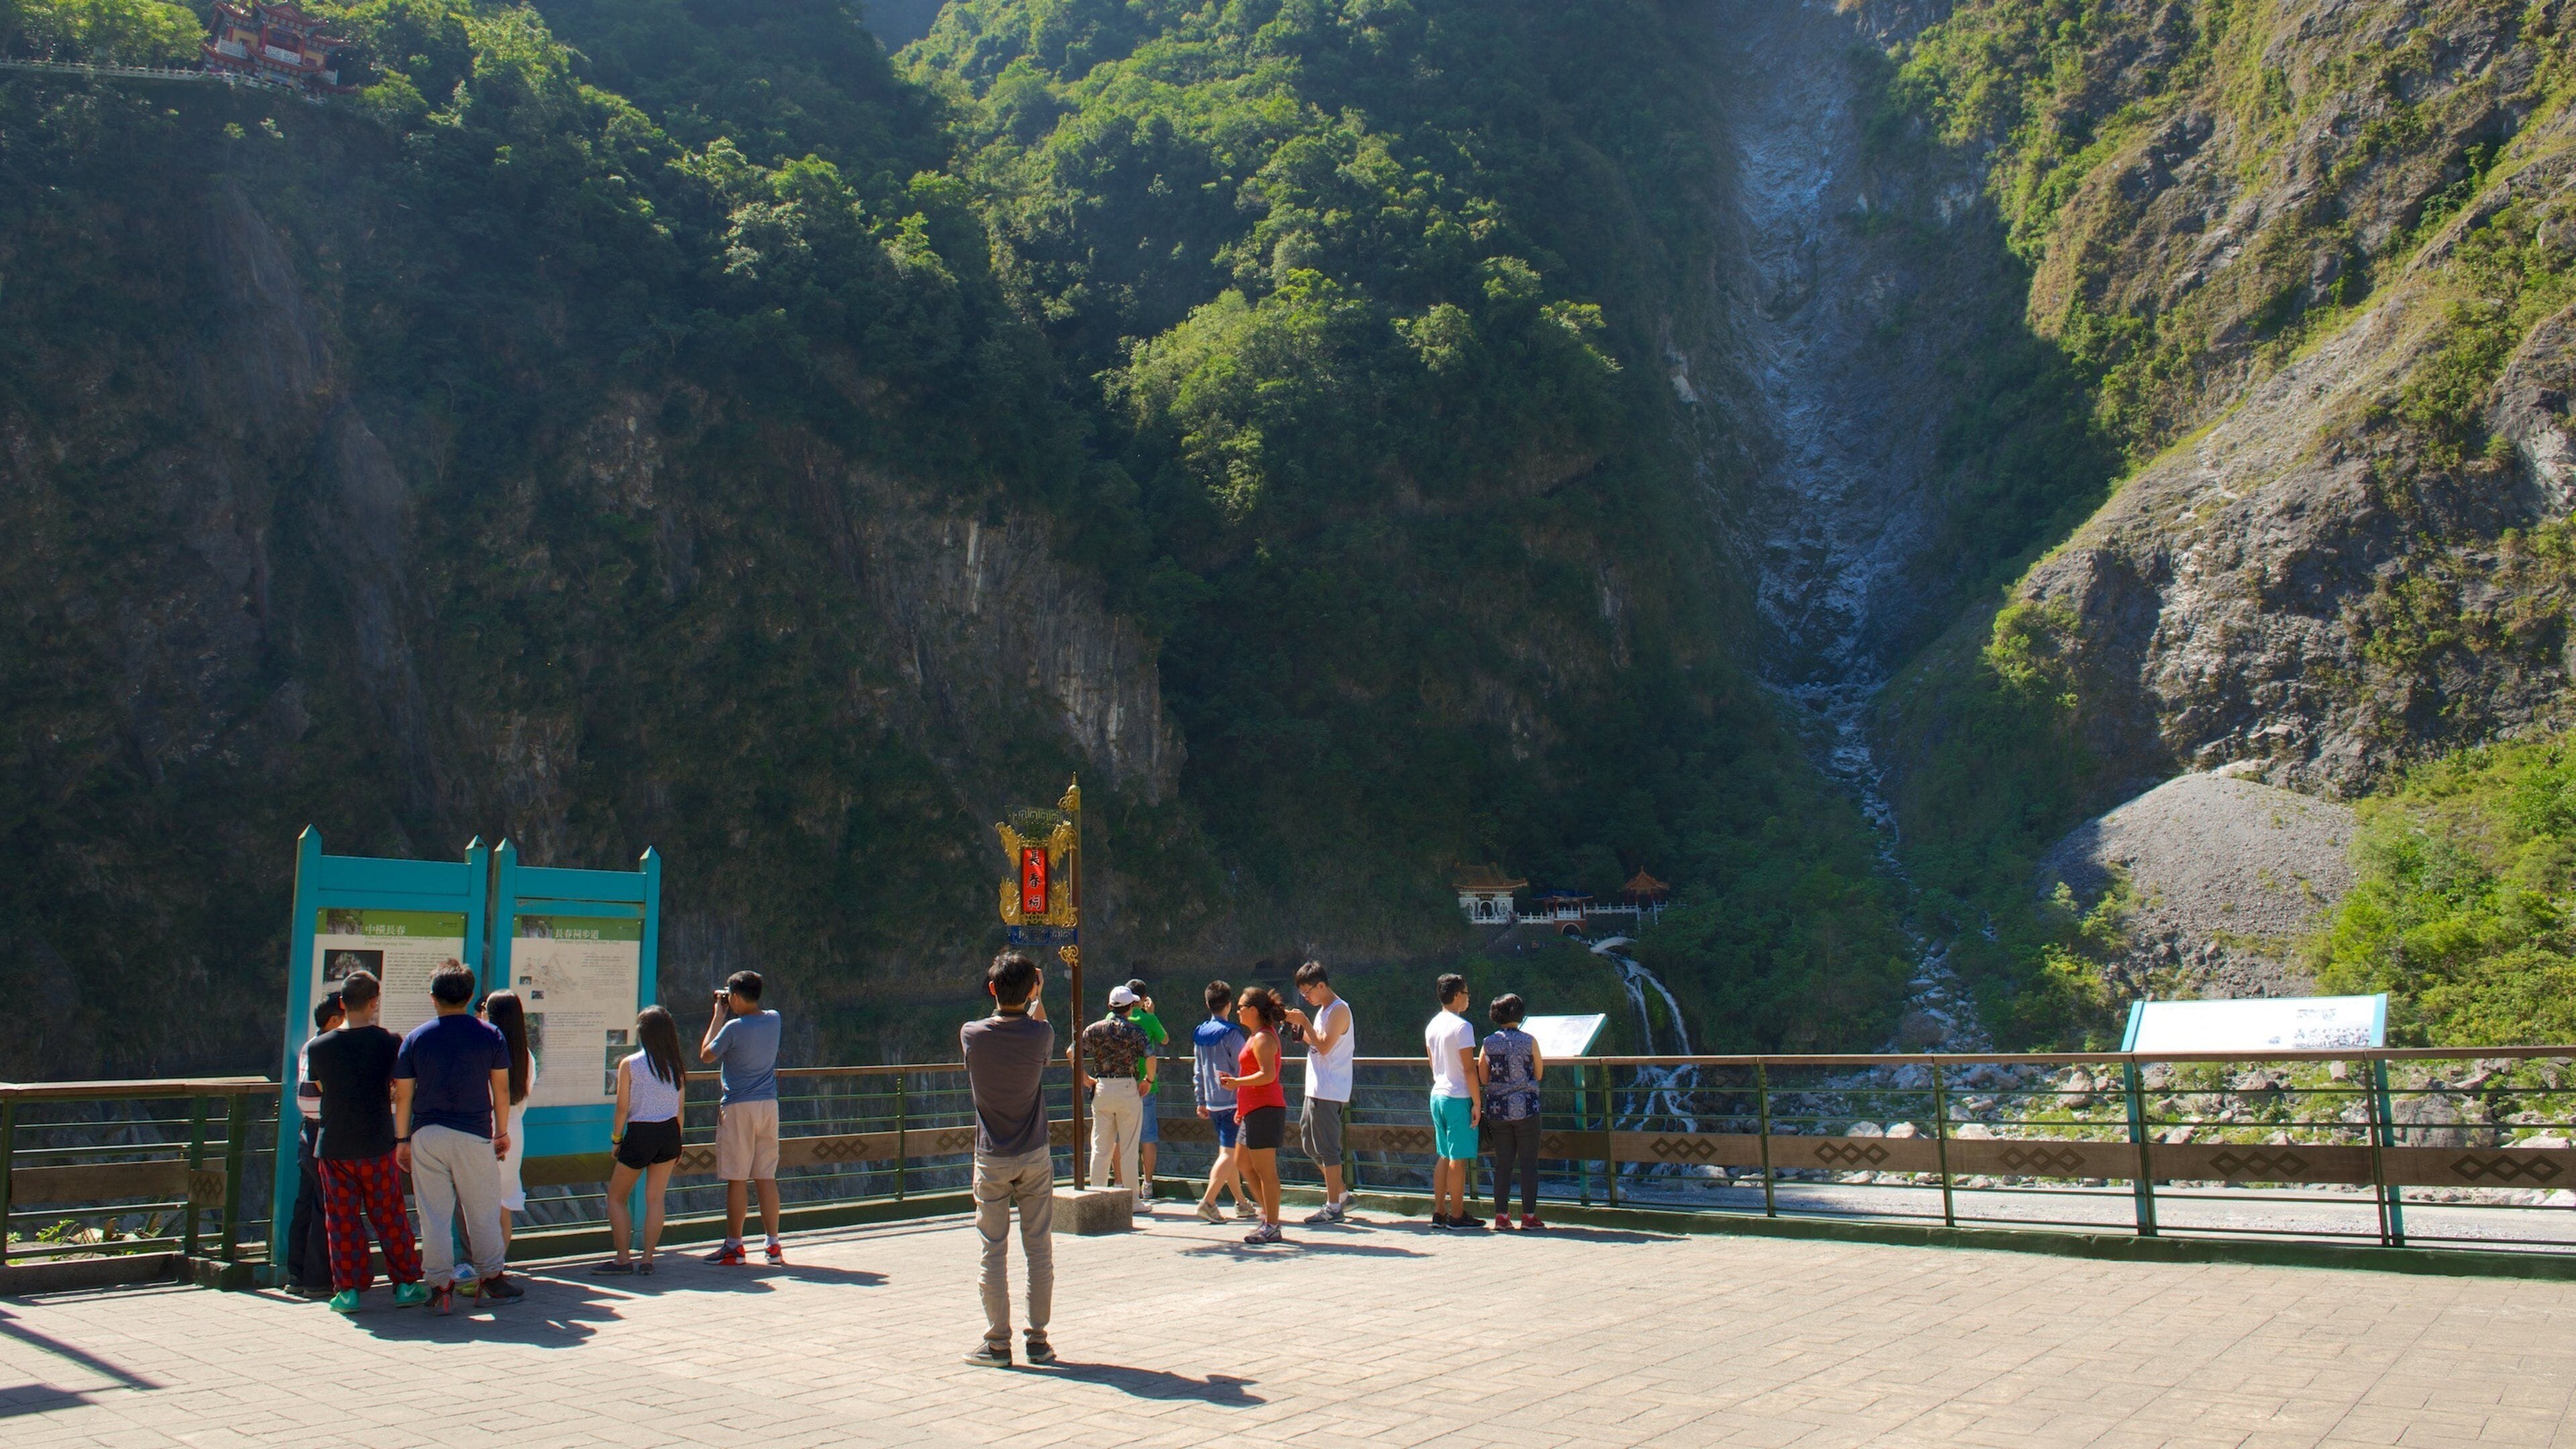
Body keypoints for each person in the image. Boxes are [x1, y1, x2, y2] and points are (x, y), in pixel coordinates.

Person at [396, 961, 523, 1311]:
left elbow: (404, 1095)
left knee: (433, 1214)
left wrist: (402, 1141)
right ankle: (492, 1279)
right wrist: (501, 1132)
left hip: (427, 1134)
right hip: (473, 1133)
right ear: (469, 997)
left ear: (432, 996)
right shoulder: (490, 1035)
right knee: (481, 1211)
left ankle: (439, 1285)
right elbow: (500, 1089)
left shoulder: (416, 1039)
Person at [303, 969, 427, 1313]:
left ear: (341, 1003)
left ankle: (348, 1292)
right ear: (375, 1003)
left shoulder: (318, 1047)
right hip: (377, 1142)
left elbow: (322, 1089)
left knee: (341, 1219)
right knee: (389, 1215)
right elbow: (399, 1089)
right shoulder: (390, 1042)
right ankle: (405, 1285)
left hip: (334, 1145)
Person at [961, 951, 1056, 1367]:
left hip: (991, 1156)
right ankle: (1038, 1340)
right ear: (1033, 989)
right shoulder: (1042, 1036)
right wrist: (1037, 992)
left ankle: (998, 1343)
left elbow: (998, 1013)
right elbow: (1038, 1021)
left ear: (992, 989)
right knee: (1038, 1249)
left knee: (992, 1250)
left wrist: (1017, 989)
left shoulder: (972, 1035)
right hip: (1034, 1153)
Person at [595, 1005, 690, 1275]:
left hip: (641, 1133)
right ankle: (648, 1259)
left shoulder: (631, 1064)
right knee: (656, 1199)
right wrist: (678, 1142)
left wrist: (616, 1140)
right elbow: (680, 1109)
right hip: (670, 1133)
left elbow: (622, 1108)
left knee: (616, 1196)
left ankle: (623, 1259)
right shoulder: (676, 1066)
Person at [700, 970, 784, 1265]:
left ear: (734, 996)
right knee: (766, 1175)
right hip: (768, 1106)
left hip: (738, 1108)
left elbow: (706, 1055)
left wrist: (717, 1016)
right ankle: (773, 1245)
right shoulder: (774, 1019)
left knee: (737, 1177)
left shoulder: (733, 1029)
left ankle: (734, 1246)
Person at [1283, 960, 1356, 1224]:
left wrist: (1304, 1020)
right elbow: (1316, 1042)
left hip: (1330, 1088)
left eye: (1308, 992)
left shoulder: (1339, 1010)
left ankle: (1334, 1206)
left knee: (1327, 1148)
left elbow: (1325, 1047)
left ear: (1322, 985)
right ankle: (1342, 1195)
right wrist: (1301, 1030)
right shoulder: (1323, 1010)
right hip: (1316, 1086)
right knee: (1308, 1143)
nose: (1306, 997)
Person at [1219, 986, 1289, 1244]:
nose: (1237, 1011)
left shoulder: (1263, 1038)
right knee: (1243, 1162)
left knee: (1265, 1170)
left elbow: (1267, 1075)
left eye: (1240, 1007)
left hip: (1266, 1109)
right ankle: (1269, 1214)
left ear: (1252, 1010)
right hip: (1252, 1110)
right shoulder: (1256, 1036)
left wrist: (1236, 1083)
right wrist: (1241, 1105)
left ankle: (1271, 1224)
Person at [286, 990, 343, 1295]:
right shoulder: (328, 1049)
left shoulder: (310, 1046)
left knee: (305, 1204)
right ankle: (318, 1280)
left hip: (307, 1131)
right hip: (324, 1130)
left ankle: (296, 1275)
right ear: (335, 1020)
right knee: (325, 1205)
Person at [1075, 985, 1150, 1209]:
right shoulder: (1136, 1032)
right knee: (1128, 1147)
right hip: (1128, 1087)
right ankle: (1133, 1200)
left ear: (1110, 1006)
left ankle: (1095, 1197)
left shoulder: (1094, 1029)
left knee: (1101, 1147)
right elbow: (1151, 1056)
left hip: (1102, 1087)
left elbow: (1073, 1052)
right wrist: (1148, 1080)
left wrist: (1084, 1078)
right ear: (1130, 1007)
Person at [1479, 993, 1546, 1231]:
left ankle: (1501, 1217)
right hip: (1527, 1108)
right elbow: (1538, 1074)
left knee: (1503, 1164)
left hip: (1498, 1111)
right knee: (1529, 1164)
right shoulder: (1530, 1041)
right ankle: (1528, 1217)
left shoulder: (1488, 1043)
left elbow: (1484, 1077)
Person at [1190, 979, 1254, 1224]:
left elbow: (1198, 1070)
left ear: (1207, 1004)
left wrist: (1200, 1099)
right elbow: (1243, 1066)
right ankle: (1208, 1202)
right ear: (1229, 1005)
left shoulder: (1200, 1033)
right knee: (1229, 1155)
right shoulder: (1231, 1034)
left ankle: (1242, 1203)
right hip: (1233, 1102)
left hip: (1213, 1103)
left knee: (1227, 1154)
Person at [1424, 973, 1483, 1230]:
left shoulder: (1432, 1025)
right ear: (1458, 995)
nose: (1468, 998)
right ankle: (1457, 1216)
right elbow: (1469, 1069)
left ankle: (1439, 1212)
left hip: (1438, 1093)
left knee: (1444, 1154)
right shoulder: (1462, 1027)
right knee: (1458, 1157)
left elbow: (1432, 1063)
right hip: (1458, 1096)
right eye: (1467, 993)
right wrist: (1477, 1103)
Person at [484, 989, 537, 1250]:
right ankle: (498, 1266)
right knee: (503, 1203)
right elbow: (525, 1094)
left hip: (486, 1125)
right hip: (514, 1126)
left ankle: (486, 1268)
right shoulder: (525, 1054)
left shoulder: (485, 1048)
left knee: (482, 1204)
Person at [1124, 977, 1168, 1204]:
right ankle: (1147, 1185)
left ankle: (1121, 1184)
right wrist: (1152, 1014)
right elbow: (1165, 1039)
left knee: (1121, 1136)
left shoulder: (1116, 1018)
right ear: (1143, 998)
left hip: (1122, 1084)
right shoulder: (1148, 1019)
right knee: (1148, 1137)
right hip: (1147, 1085)